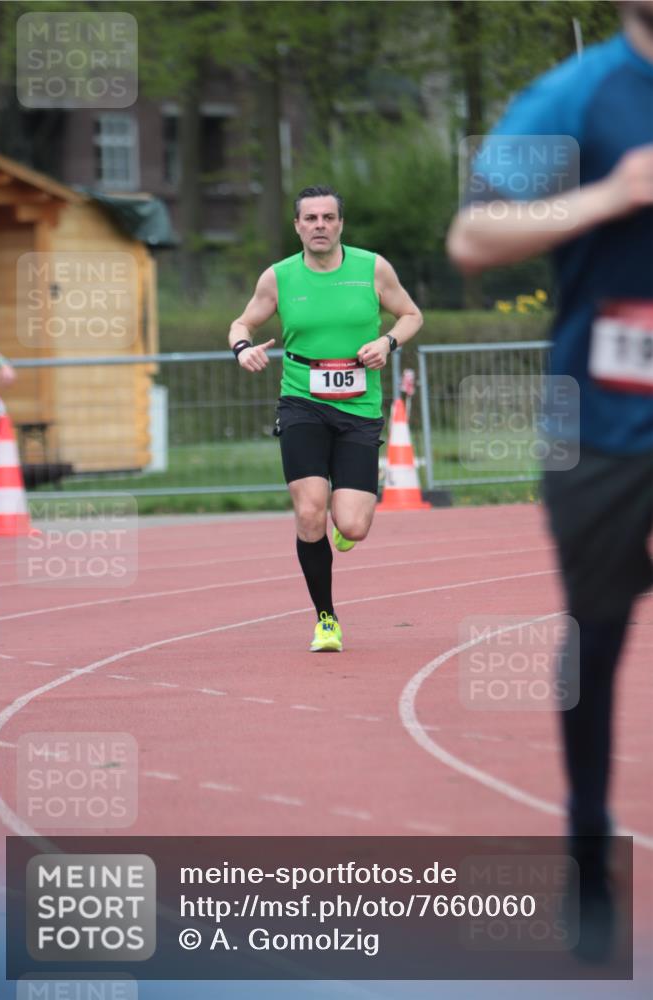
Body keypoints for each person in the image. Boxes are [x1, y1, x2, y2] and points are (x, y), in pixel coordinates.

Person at [447, 0, 653, 957]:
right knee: (597, 634)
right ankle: (581, 833)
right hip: (602, 427)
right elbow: (472, 240)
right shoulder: (571, 98)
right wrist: (609, 195)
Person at [228, 185, 422, 652]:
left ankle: (345, 518)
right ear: (297, 226)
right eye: (310, 218)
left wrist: (388, 343)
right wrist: (242, 350)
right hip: (302, 402)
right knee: (308, 511)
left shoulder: (372, 268)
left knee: (352, 526)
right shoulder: (278, 277)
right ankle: (326, 619)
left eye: (328, 218)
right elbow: (242, 323)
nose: (319, 225)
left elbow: (412, 314)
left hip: (358, 409)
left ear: (340, 224)